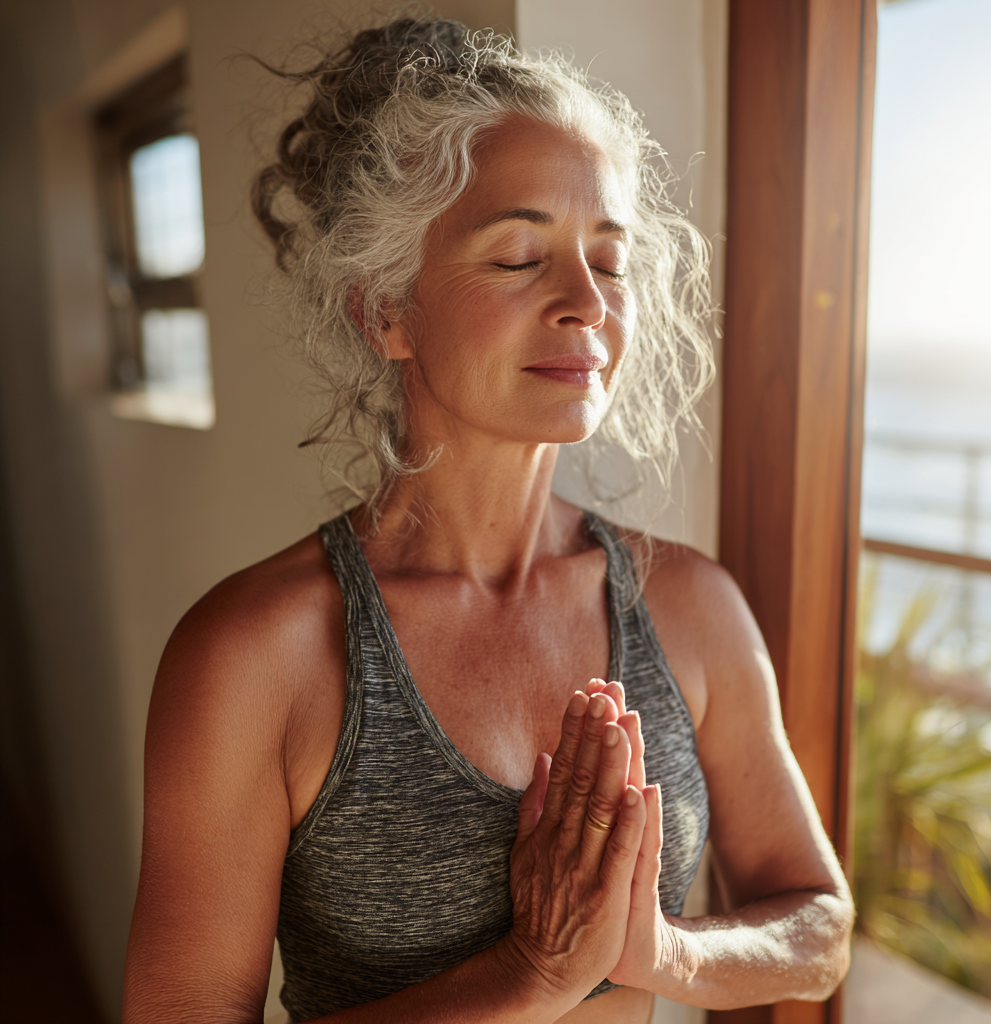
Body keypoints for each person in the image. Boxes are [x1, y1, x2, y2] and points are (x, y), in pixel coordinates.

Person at [123, 17, 854, 1024]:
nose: (587, 302)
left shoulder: (690, 606)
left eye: (609, 257)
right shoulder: (257, 655)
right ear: (383, 309)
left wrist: (662, 952)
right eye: (518, 256)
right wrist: (535, 972)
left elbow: (817, 928)